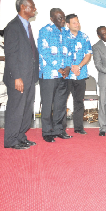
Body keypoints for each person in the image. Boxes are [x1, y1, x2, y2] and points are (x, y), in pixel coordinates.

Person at [3, 0, 39, 149]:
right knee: (16, 109)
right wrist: (17, 77)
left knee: (26, 109)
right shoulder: (13, 27)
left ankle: (20, 136)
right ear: (23, 7)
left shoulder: (26, 26)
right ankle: (11, 140)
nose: (35, 9)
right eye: (32, 6)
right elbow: (10, 54)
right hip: (19, 77)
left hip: (29, 76)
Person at [38, 8, 73, 143]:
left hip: (63, 75)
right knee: (47, 104)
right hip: (49, 74)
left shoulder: (66, 33)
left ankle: (59, 130)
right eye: (59, 18)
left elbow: (70, 51)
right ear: (52, 19)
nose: (63, 20)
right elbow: (44, 52)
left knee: (60, 104)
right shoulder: (45, 31)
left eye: (63, 17)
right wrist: (59, 68)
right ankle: (47, 132)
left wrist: (68, 67)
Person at [62, 14, 92, 135]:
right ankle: (61, 128)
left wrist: (78, 66)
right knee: (62, 101)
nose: (77, 24)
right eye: (74, 23)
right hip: (66, 75)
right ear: (67, 24)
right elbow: (60, 55)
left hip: (80, 74)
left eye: (78, 22)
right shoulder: (62, 37)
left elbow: (88, 54)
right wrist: (71, 67)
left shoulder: (84, 37)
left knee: (79, 101)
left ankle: (79, 127)